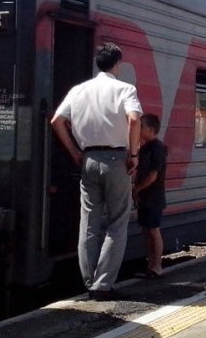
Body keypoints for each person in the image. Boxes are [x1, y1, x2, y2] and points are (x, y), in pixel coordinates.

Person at [50, 42, 143, 301]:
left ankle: (89, 281)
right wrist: (133, 154)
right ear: (118, 64)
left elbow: (57, 121)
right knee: (117, 222)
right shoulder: (125, 89)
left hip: (88, 158)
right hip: (117, 159)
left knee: (88, 222)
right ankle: (103, 285)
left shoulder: (79, 90)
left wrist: (75, 152)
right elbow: (134, 119)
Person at [133, 113, 167, 279]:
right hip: (144, 196)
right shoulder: (145, 148)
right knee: (147, 231)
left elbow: (153, 175)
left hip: (154, 196)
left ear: (152, 129)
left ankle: (157, 266)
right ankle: (150, 266)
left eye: (142, 126)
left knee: (153, 230)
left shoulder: (158, 148)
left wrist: (137, 189)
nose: (138, 129)